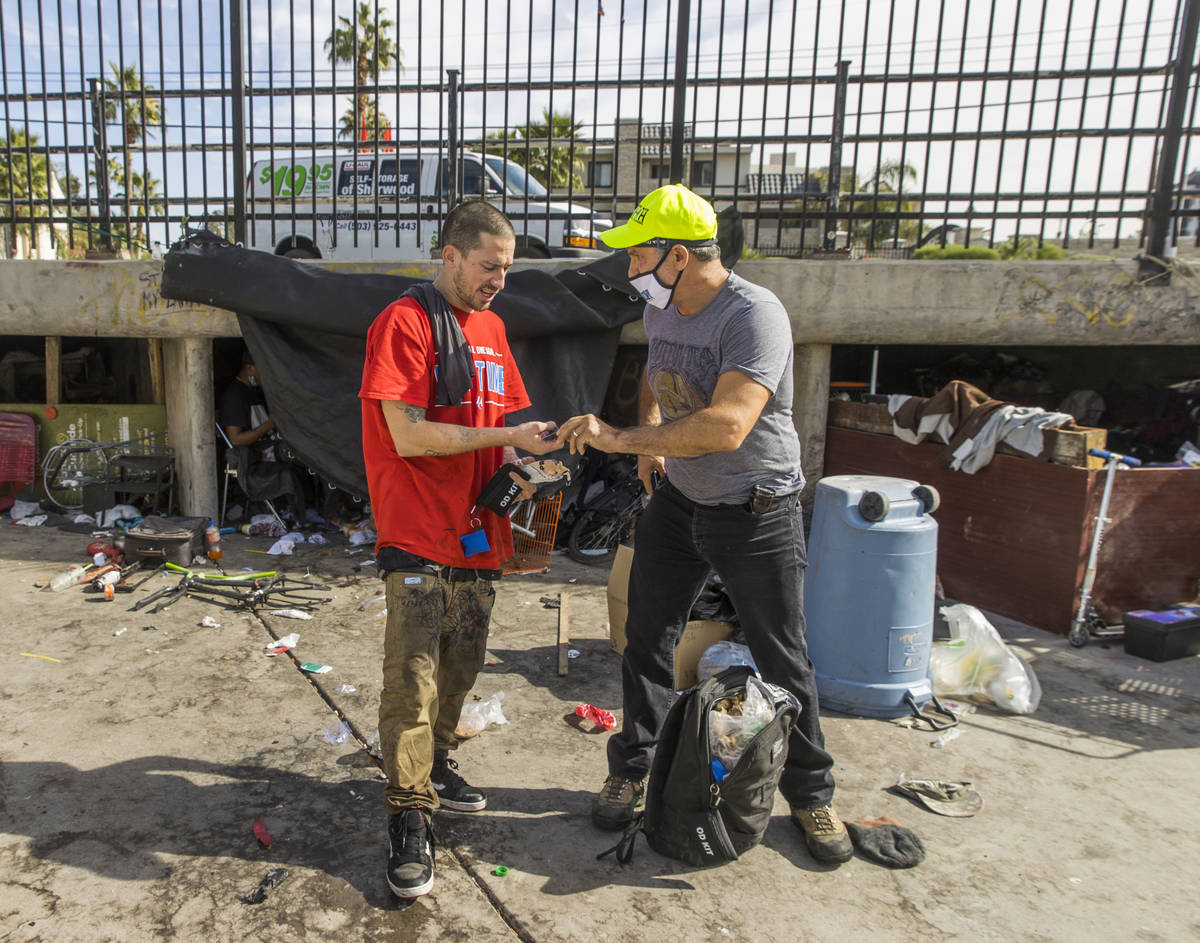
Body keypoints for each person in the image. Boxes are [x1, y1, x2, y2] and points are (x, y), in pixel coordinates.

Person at [555, 184, 854, 865]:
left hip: (757, 509)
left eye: (637, 256)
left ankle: (810, 792)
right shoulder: (665, 310)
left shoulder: (754, 315)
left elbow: (728, 424)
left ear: (678, 256)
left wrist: (618, 440)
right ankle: (634, 765)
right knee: (646, 637)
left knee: (784, 659)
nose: (628, 269)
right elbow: (658, 379)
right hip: (680, 503)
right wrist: (653, 436)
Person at [359, 200, 558, 900]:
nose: (499, 280)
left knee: (462, 662)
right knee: (412, 676)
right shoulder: (404, 323)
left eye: (507, 268)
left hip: (480, 534)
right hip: (417, 531)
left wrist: (534, 453)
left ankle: (437, 762)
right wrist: (498, 437)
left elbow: (503, 422)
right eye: (488, 266)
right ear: (449, 254)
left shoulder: (495, 327)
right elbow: (408, 435)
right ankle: (409, 815)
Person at [219, 348, 276, 452]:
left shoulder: (255, 390)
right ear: (249, 367)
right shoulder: (234, 395)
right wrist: (270, 424)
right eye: (263, 368)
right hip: (253, 463)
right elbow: (236, 440)